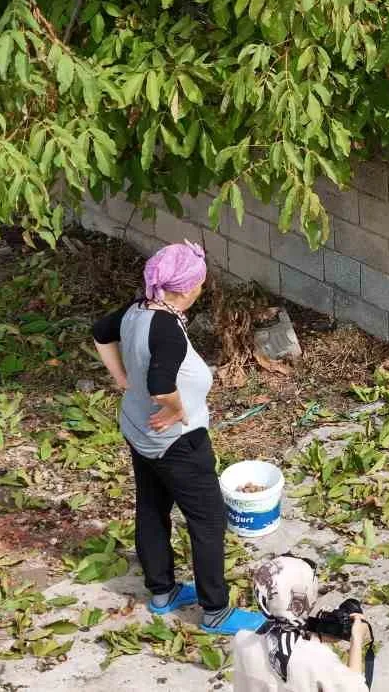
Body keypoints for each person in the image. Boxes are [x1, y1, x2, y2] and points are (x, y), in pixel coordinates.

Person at [90, 240, 265, 634]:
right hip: (177, 445)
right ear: (186, 289)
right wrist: (174, 409)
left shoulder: (138, 309)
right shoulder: (166, 329)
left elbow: (101, 333)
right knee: (208, 520)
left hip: (138, 433)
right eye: (201, 283)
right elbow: (159, 382)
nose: (202, 288)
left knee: (152, 507)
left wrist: (121, 379)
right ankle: (215, 611)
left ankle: (162, 592)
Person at [233, 555, 373, 692]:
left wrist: (317, 638)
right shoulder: (317, 658)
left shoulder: (242, 638)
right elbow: (357, 688)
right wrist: (357, 639)